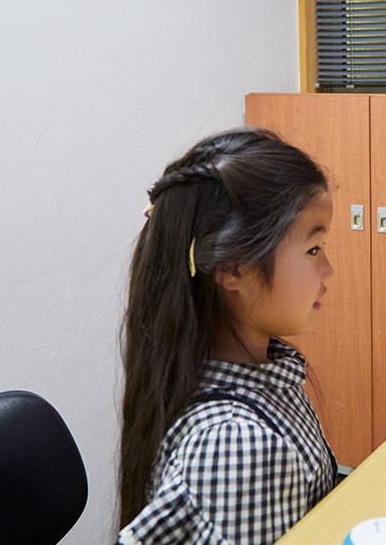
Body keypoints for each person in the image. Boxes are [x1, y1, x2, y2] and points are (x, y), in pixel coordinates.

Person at [118, 128, 337, 544]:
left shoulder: (265, 369)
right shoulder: (236, 445)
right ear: (235, 268)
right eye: (313, 249)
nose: (327, 271)